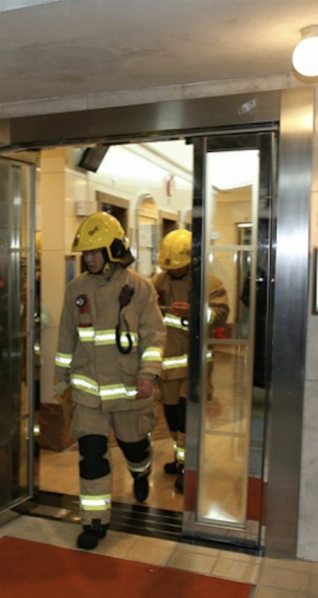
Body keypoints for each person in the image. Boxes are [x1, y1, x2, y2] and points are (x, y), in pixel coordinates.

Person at [54, 211, 165, 550]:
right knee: (91, 457)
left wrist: (148, 375)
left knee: (133, 445)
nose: (87, 259)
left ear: (113, 251)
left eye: (94, 252)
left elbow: (154, 336)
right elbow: (66, 338)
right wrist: (60, 380)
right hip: (89, 394)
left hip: (130, 390)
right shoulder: (76, 290)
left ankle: (141, 470)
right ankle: (95, 521)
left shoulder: (139, 288)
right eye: (84, 253)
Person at [152, 228, 229, 493]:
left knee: (188, 416)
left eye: (178, 267)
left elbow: (220, 315)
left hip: (194, 364)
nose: (173, 272)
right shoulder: (158, 282)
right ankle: (180, 458)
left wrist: (195, 312)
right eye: (169, 267)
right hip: (168, 364)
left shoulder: (210, 284)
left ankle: (190, 465)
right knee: (172, 416)